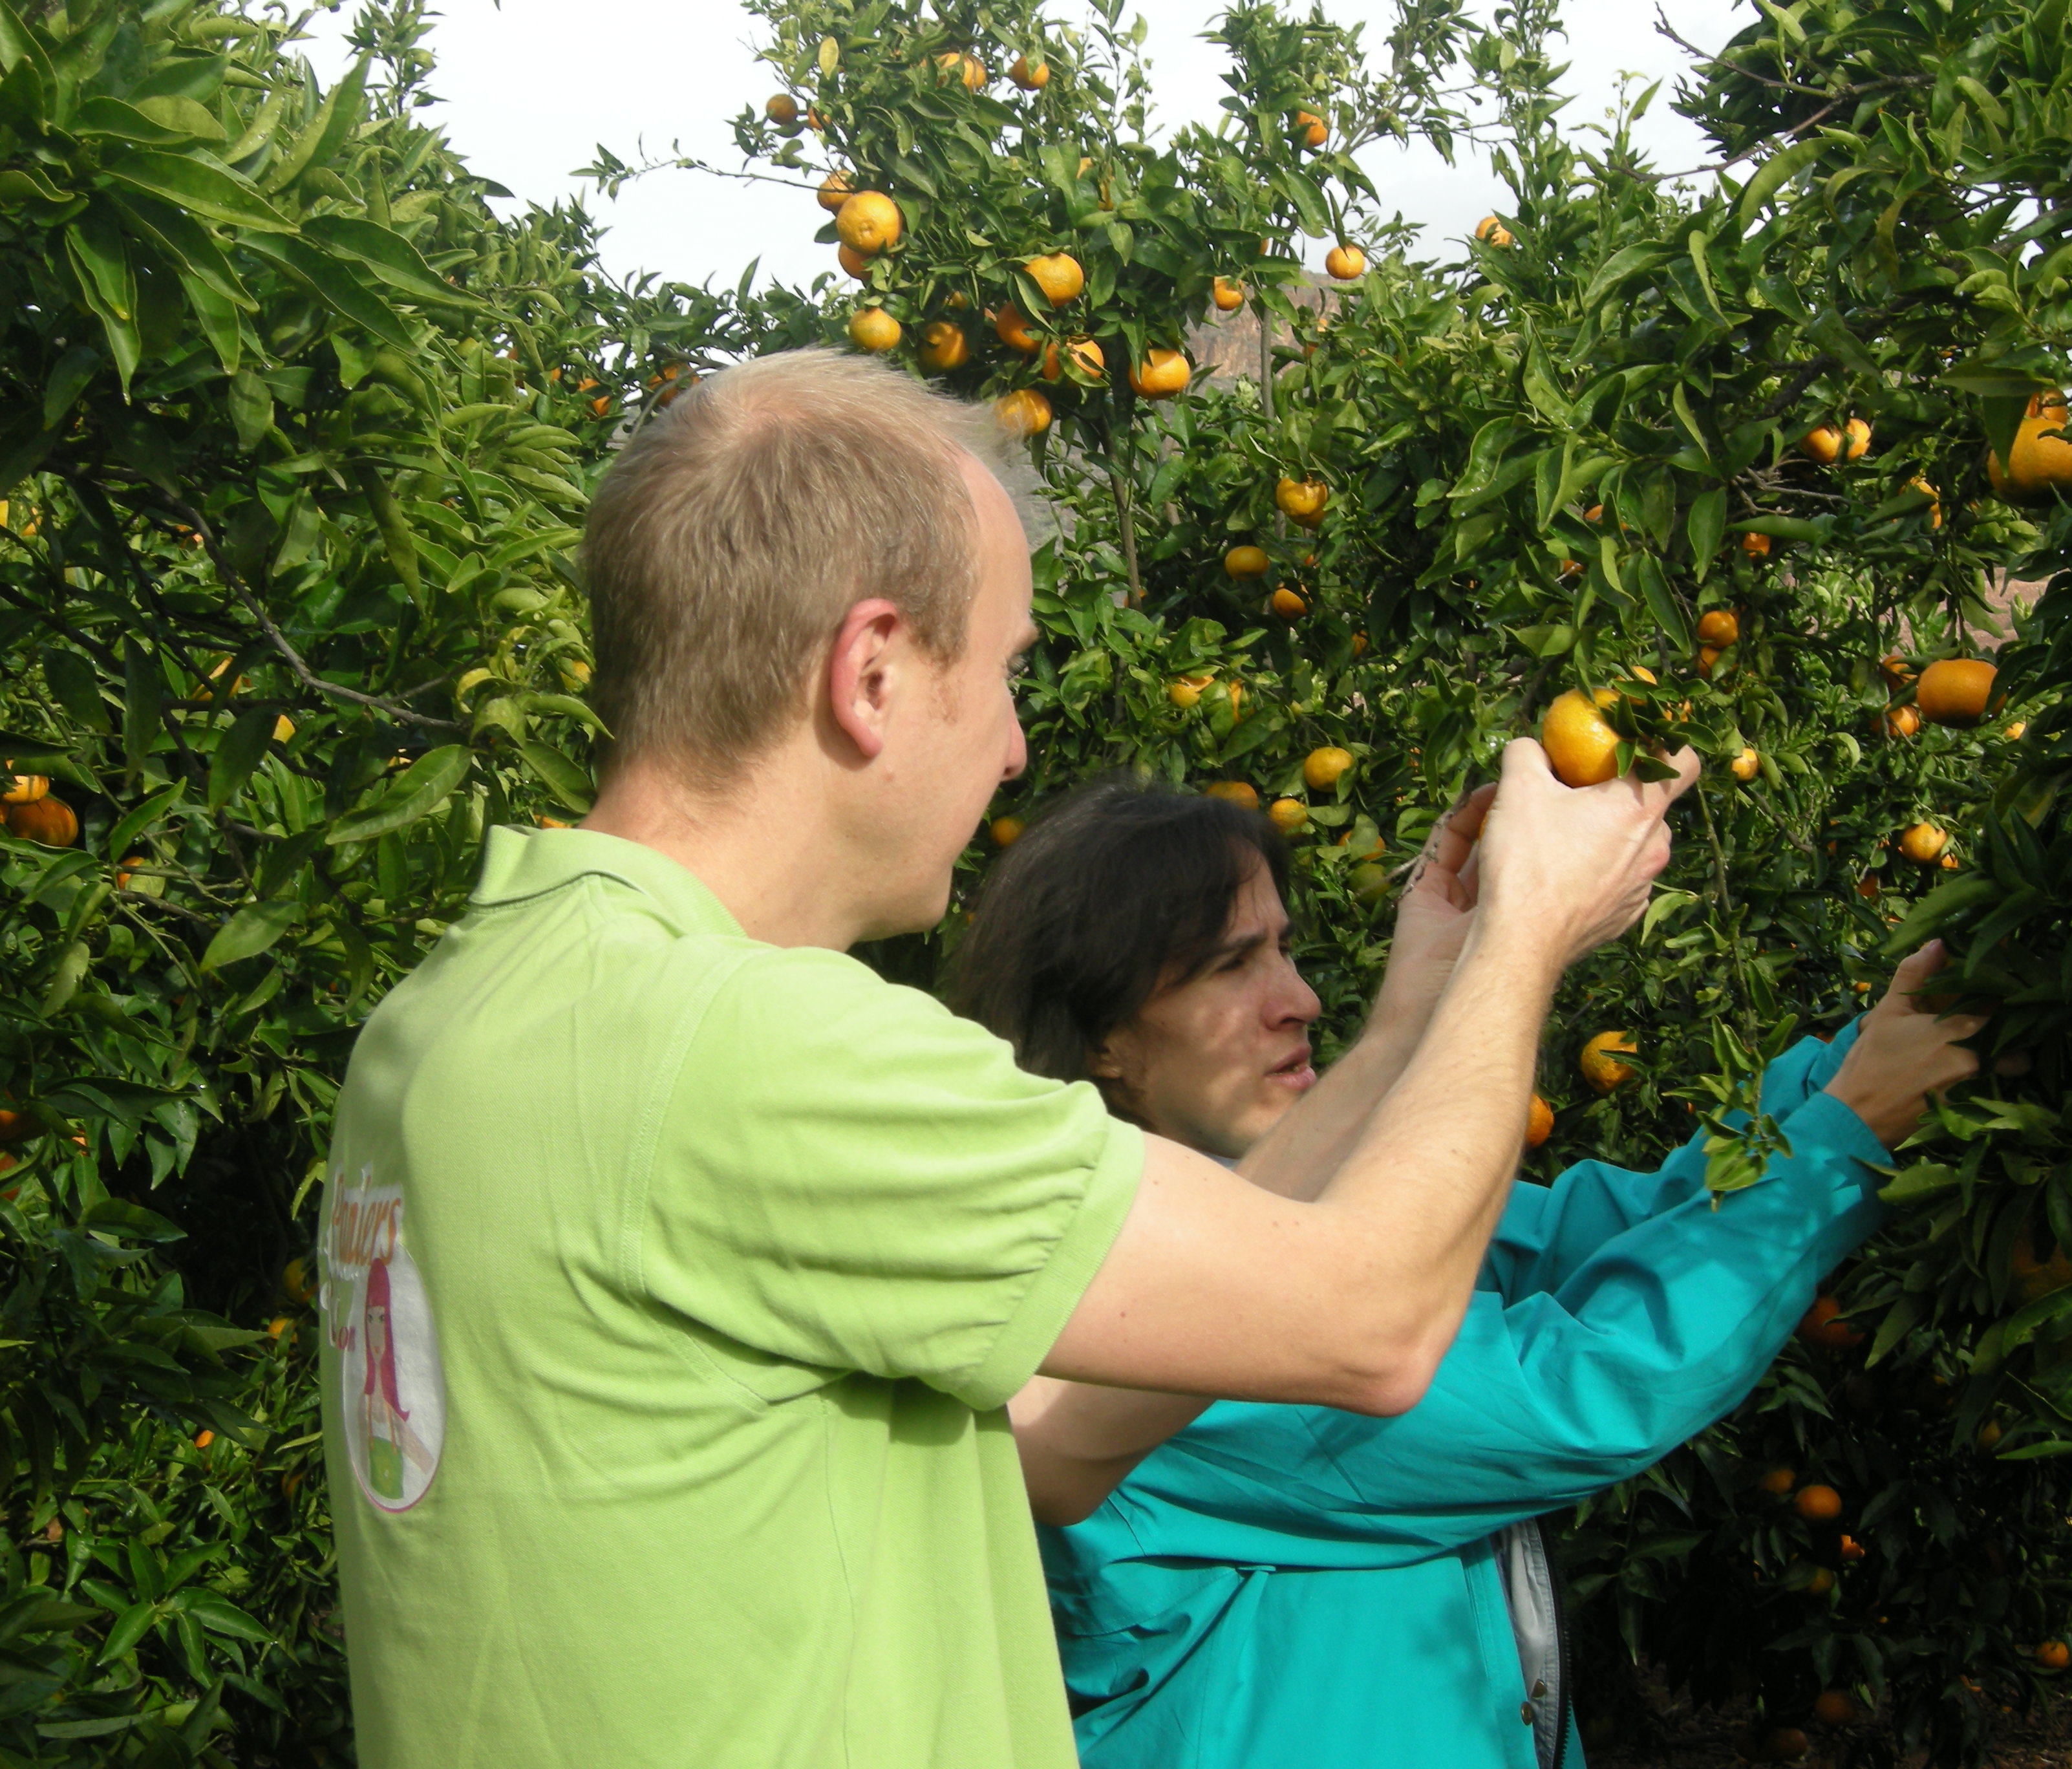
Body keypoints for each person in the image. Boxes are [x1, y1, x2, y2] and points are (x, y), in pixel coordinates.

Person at [315, 348, 1702, 1769]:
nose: (1017, 748)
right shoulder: (756, 1049)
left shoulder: (449, 1024)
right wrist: (1527, 936)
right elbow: (1377, 1322)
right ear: (870, 673)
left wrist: (1412, 1015)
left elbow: (1051, 1438)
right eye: (1001, 671)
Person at [946, 775, 1986, 1769]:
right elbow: (1576, 1388)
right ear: (1104, 1040)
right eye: (1232, 966)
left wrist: (1851, 1065)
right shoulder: (1135, 1311)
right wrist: (1842, 1140)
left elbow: (1604, 1228)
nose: (1302, 999)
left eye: (1286, 950)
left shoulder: (1326, 1219)